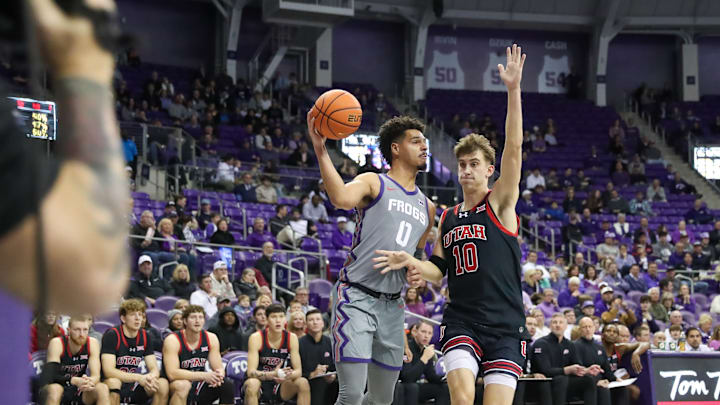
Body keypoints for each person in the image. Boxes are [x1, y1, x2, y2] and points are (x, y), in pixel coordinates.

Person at [375, 45, 528, 405]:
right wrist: (411, 261)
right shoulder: (449, 216)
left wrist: (513, 90)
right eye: (462, 165)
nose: (466, 170)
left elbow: (515, 148)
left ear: (489, 170)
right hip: (462, 320)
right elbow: (436, 270)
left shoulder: (501, 203)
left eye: (474, 164)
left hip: (506, 325)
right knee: (461, 399)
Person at [307, 82, 435, 402]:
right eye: (415, 141)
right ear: (395, 148)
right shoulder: (372, 182)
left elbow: (416, 259)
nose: (424, 146)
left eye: (425, 141)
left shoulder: (428, 207)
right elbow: (339, 198)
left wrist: (415, 270)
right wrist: (321, 149)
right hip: (357, 297)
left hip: (393, 307)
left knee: (382, 400)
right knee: (351, 395)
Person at [163, 305, 235, 405]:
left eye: (200, 317)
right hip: (175, 384)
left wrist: (218, 376)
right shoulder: (172, 340)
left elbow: (218, 367)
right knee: (183, 386)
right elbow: (172, 374)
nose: (197, 321)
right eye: (193, 317)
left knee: (226, 385)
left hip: (198, 383)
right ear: (185, 321)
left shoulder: (211, 338)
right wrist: (204, 375)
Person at [100, 299, 169, 405]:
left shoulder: (146, 336)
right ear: (123, 318)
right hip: (114, 382)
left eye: (140, 315)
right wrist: (139, 377)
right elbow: (108, 371)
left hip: (135, 383)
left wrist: (151, 378)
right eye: (133, 315)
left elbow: (154, 368)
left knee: (162, 384)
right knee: (114, 382)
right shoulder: (112, 335)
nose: (138, 318)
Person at [243, 304, 311, 405]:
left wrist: (286, 375)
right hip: (260, 382)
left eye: (281, 316)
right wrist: (273, 374)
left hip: (281, 384)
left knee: (303, 382)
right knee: (252, 384)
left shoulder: (291, 338)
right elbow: (251, 372)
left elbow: (298, 371)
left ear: (285, 319)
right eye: (274, 317)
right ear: (267, 320)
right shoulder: (256, 338)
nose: (278, 320)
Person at [531, 313, 598, 405]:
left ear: (566, 326)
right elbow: (545, 370)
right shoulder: (541, 343)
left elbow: (576, 365)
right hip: (546, 381)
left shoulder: (569, 344)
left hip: (565, 381)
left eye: (561, 322)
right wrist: (566, 370)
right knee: (561, 379)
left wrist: (586, 370)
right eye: (555, 322)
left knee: (589, 379)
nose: (558, 325)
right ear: (550, 326)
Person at [397, 321, 450, 405]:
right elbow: (407, 378)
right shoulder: (407, 349)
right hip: (401, 387)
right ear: (415, 332)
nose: (426, 336)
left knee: (444, 388)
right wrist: (424, 358)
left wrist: (444, 379)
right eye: (423, 332)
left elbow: (430, 376)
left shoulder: (426, 350)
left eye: (429, 333)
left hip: (416, 387)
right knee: (412, 387)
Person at [573, 317, 616, 405]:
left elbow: (606, 369)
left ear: (594, 328)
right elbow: (579, 370)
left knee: (622, 389)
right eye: (585, 327)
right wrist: (597, 381)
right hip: (584, 381)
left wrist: (615, 379)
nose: (588, 329)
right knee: (603, 390)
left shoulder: (599, 347)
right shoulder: (575, 346)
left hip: (600, 380)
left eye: (590, 326)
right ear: (580, 330)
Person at [299, 309, 339, 405]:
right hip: (308, 382)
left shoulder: (330, 343)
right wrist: (312, 374)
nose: (315, 322)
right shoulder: (299, 343)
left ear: (323, 323)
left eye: (318, 319)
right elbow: (295, 371)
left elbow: (335, 367)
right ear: (306, 324)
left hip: (330, 383)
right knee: (318, 383)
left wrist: (333, 376)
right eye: (311, 320)